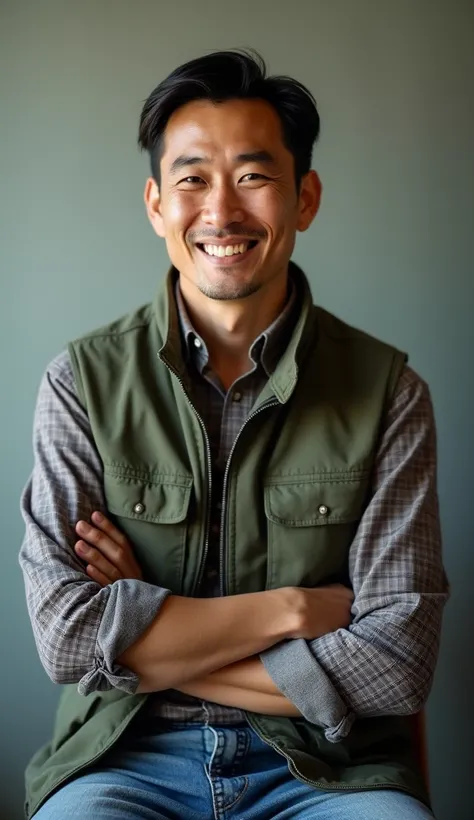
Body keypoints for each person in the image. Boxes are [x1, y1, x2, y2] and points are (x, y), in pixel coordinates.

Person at [19, 49, 448, 819]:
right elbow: (66, 642)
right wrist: (290, 609)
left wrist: (142, 633)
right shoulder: (79, 384)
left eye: (253, 176)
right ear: (156, 204)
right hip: (123, 758)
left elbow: (397, 665)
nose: (220, 213)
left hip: (328, 770)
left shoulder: (390, 394)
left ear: (305, 197)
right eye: (192, 180)